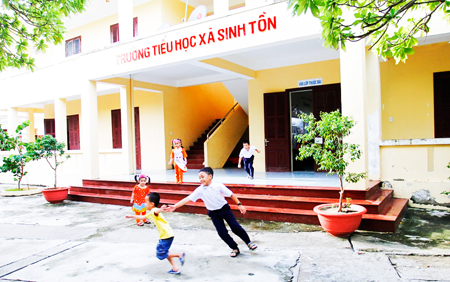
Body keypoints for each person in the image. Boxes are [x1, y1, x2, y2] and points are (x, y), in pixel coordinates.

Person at [166, 167, 257, 258]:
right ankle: (234, 248)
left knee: (235, 227)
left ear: (210, 176)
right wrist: (175, 206)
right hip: (214, 214)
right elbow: (188, 199)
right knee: (222, 233)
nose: (201, 179)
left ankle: (248, 243)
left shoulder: (218, 186)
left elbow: (231, 194)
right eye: (200, 178)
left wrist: (239, 204)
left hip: (225, 210)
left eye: (203, 177)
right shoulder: (200, 190)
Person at [126, 192, 185, 275]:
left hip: (166, 236)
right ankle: (175, 268)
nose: (144, 204)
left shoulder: (154, 210)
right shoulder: (151, 212)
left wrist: (161, 209)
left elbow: (156, 211)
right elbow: (143, 217)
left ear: (151, 204)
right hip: (168, 234)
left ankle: (179, 254)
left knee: (160, 254)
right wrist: (132, 216)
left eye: (145, 202)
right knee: (165, 252)